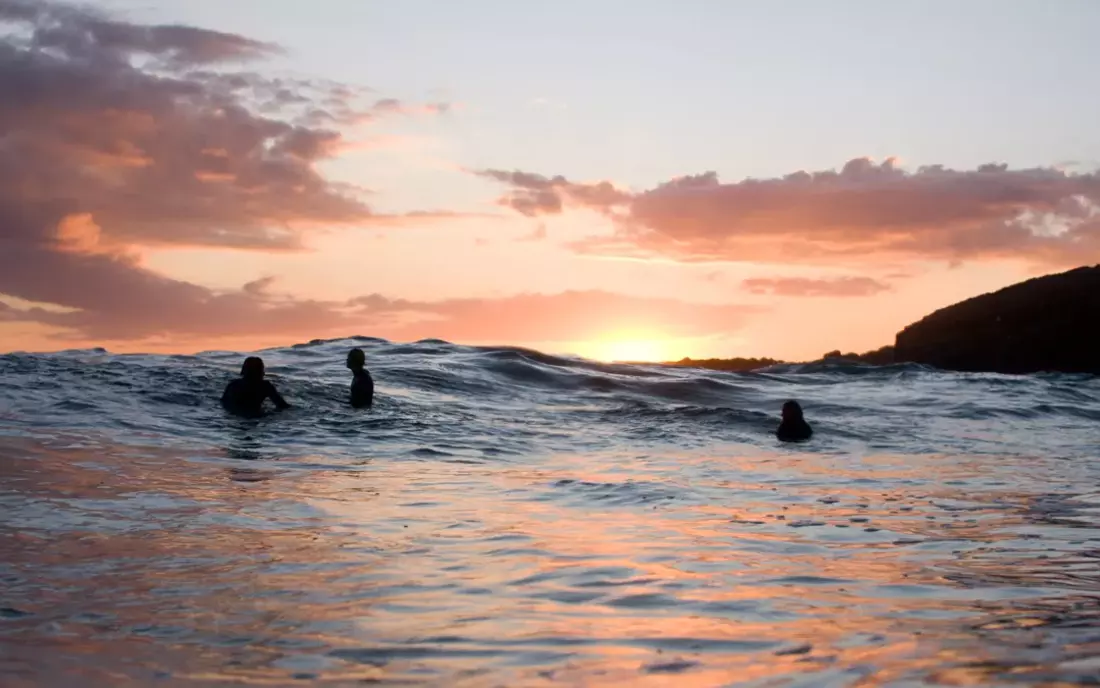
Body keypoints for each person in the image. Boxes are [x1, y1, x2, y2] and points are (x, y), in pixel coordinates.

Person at [221, 356, 290, 417]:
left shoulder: (233, 384)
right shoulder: (265, 386)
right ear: (261, 372)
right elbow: (282, 405)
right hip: (257, 416)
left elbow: (223, 402)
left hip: (236, 415)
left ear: (243, 371)